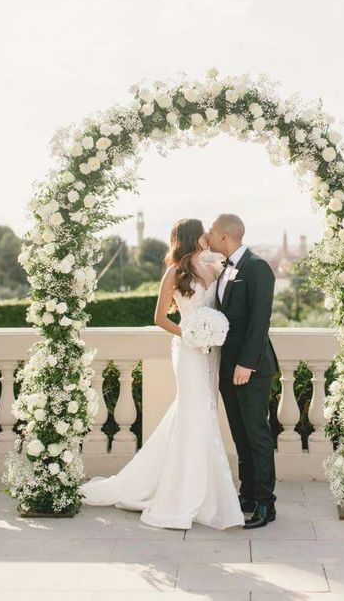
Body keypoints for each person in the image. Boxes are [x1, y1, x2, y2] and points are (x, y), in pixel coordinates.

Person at [78, 218, 245, 530]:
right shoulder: (175, 271)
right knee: (194, 414)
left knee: (200, 415)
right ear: (194, 237)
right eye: (204, 233)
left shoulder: (214, 267)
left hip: (212, 353)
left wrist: (213, 333)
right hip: (188, 350)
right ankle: (185, 495)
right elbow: (159, 317)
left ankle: (204, 491)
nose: (209, 236)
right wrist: (189, 334)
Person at [207, 213, 280, 529]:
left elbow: (259, 321)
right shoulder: (225, 269)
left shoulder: (257, 267)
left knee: (257, 435)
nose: (207, 236)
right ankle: (247, 494)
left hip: (251, 368)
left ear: (225, 236)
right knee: (239, 434)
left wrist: (246, 365)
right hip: (227, 366)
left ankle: (266, 504)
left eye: (210, 232)